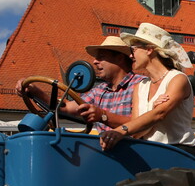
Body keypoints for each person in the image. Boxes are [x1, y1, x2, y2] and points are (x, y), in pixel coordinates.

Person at [98, 23, 195, 157]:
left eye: (133, 50)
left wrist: (120, 131)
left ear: (149, 49)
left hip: (178, 152)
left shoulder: (177, 79)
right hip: (150, 151)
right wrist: (152, 111)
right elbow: (136, 132)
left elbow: (160, 113)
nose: (131, 56)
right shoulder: (140, 86)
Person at [16, 36, 145, 134]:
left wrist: (103, 116)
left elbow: (143, 124)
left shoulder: (142, 85)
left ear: (120, 58)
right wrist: (34, 90)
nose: (95, 61)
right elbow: (64, 107)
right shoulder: (99, 91)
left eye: (101, 57)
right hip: (105, 150)